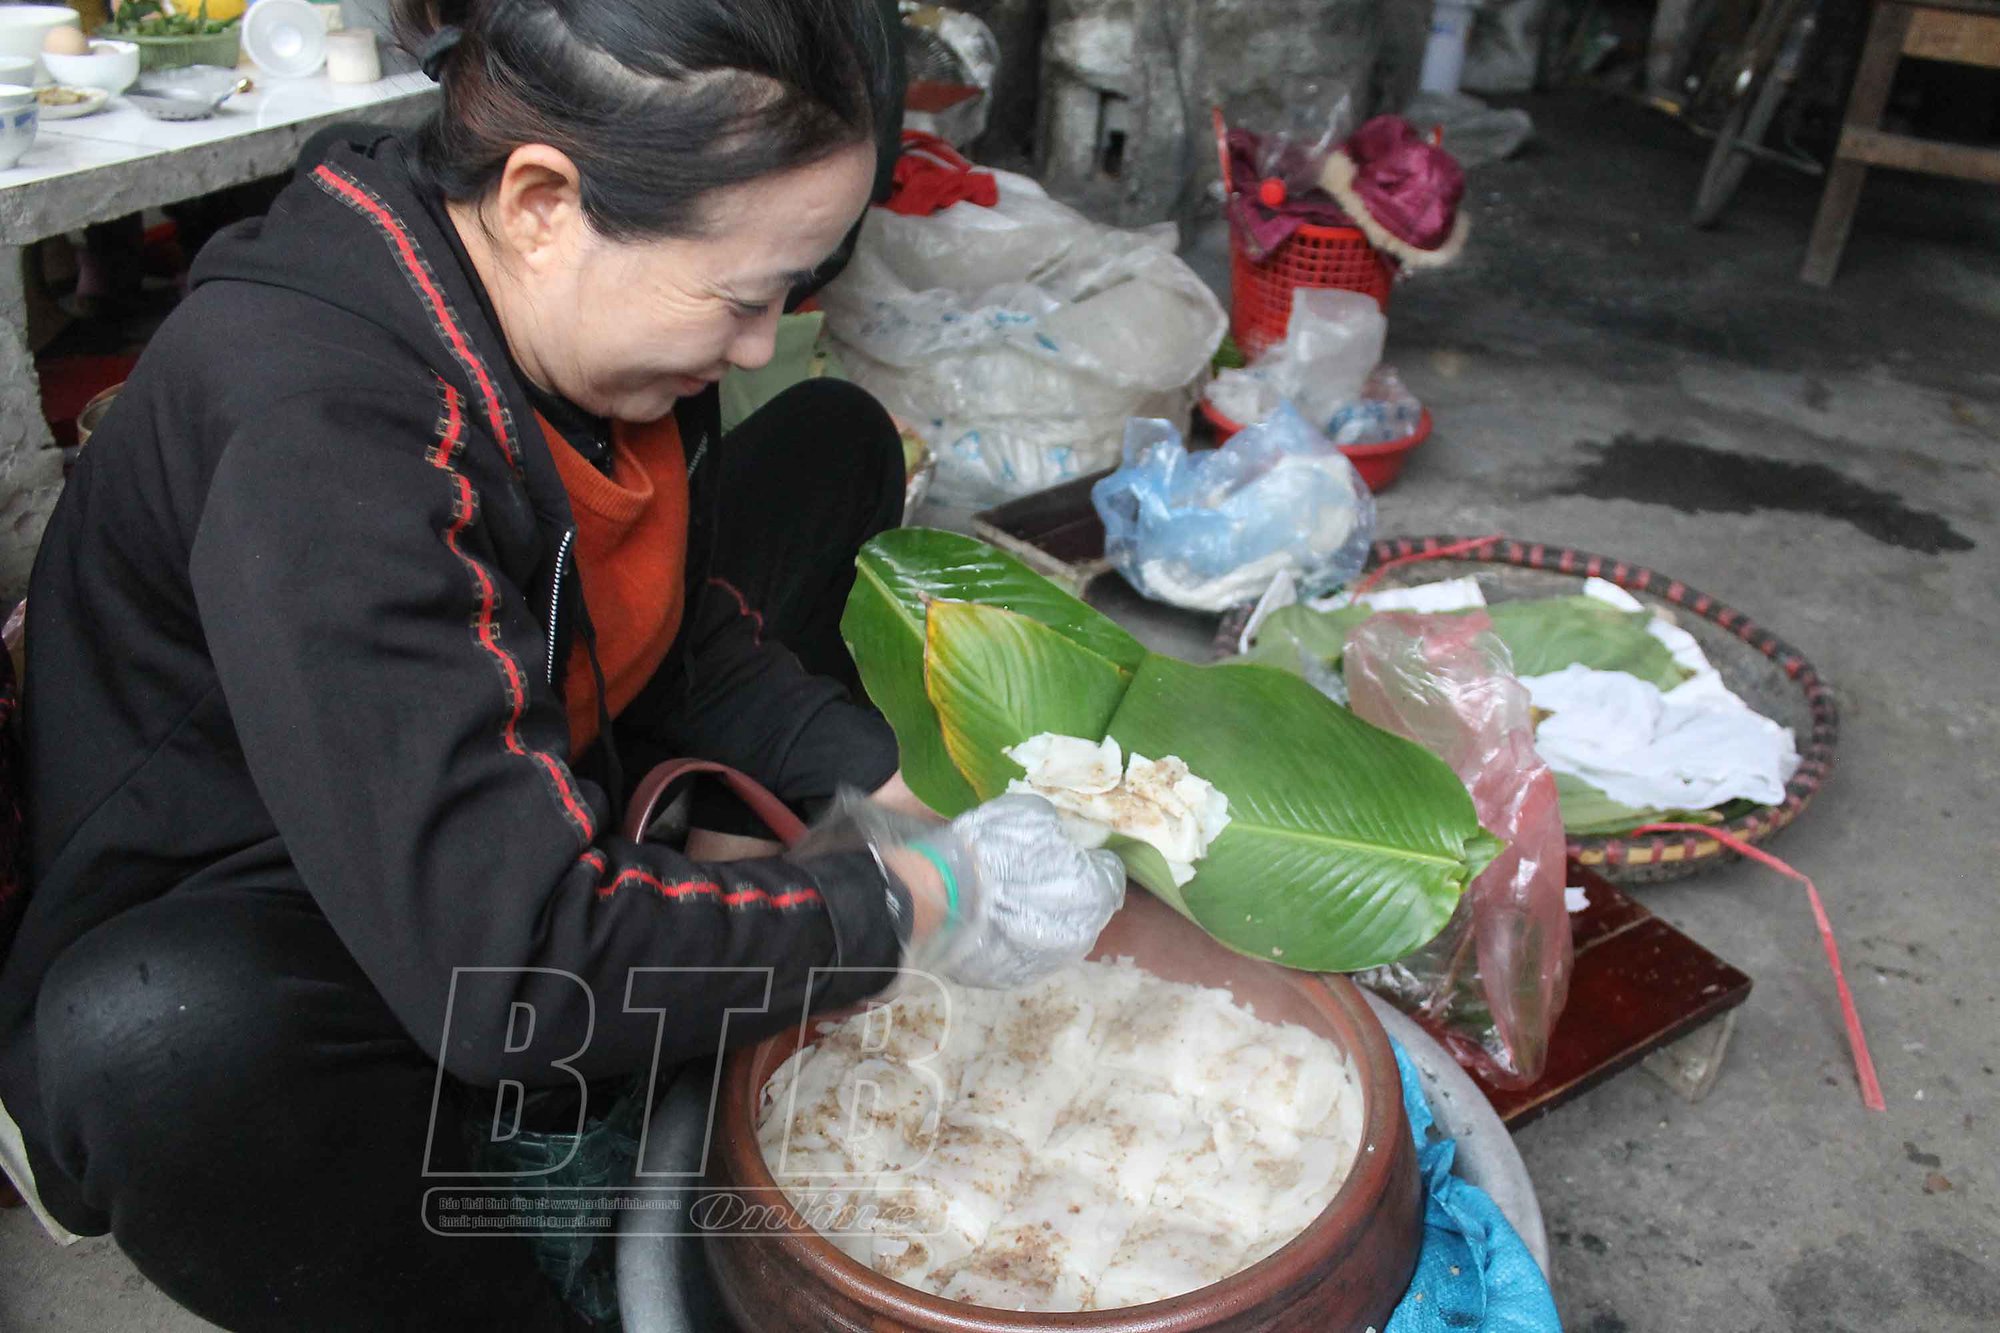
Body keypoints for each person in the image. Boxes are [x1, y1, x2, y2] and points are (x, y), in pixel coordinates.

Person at [0, 1, 1126, 1328]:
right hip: (288, 893)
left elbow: (672, 616)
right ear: (543, 200)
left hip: (519, 708)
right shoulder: (323, 438)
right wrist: (903, 903)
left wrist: (893, 785)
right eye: (746, 293)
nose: (759, 339)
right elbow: (518, 966)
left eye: (791, 291)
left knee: (833, 440)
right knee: (164, 1040)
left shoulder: (548, 288)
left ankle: (683, 872)